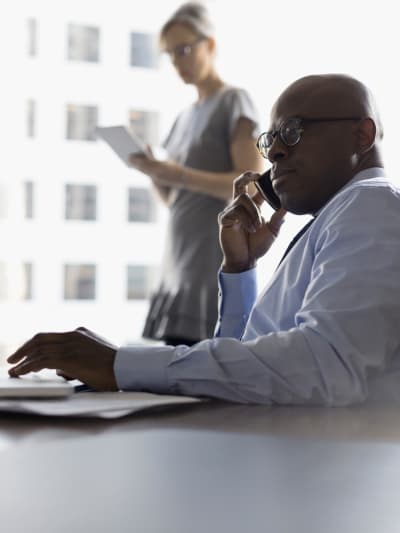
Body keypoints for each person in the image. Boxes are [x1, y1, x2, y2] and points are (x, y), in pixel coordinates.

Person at [8, 74, 400, 406]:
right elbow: (243, 377)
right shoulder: (339, 218)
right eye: (272, 139)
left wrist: (120, 364)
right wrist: (240, 270)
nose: (276, 152)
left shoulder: (370, 206)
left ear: (361, 135)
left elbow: (326, 367)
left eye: (293, 132)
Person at [128, 2, 263, 346]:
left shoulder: (234, 100)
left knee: (203, 362)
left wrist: (177, 173)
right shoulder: (184, 116)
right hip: (178, 258)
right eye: (171, 54)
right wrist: (154, 172)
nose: (177, 61)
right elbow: (173, 200)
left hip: (209, 255)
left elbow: (250, 187)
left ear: (211, 45)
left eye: (184, 49)